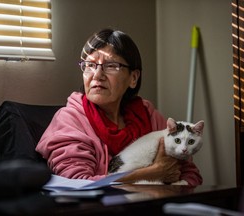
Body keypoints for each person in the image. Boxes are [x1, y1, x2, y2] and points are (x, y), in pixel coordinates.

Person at [36, 28, 202, 186]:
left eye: (111, 66)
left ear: (133, 78)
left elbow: (191, 174)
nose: (97, 75)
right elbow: (78, 184)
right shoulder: (70, 121)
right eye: (90, 65)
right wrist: (153, 172)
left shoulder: (148, 116)